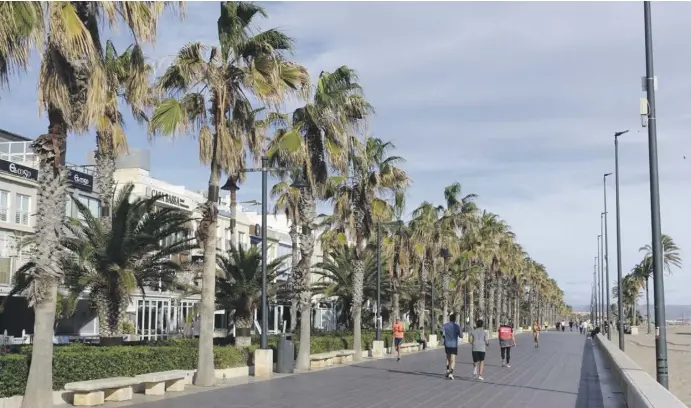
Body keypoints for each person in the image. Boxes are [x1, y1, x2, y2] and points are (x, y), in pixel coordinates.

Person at [441, 313, 462, 379]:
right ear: (455, 319)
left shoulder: (445, 325)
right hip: (454, 344)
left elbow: (441, 331)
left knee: (448, 357)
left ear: (449, 319)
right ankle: (451, 372)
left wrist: (444, 335)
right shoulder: (457, 326)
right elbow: (461, 336)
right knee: (453, 359)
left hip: (447, 344)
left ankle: (447, 370)